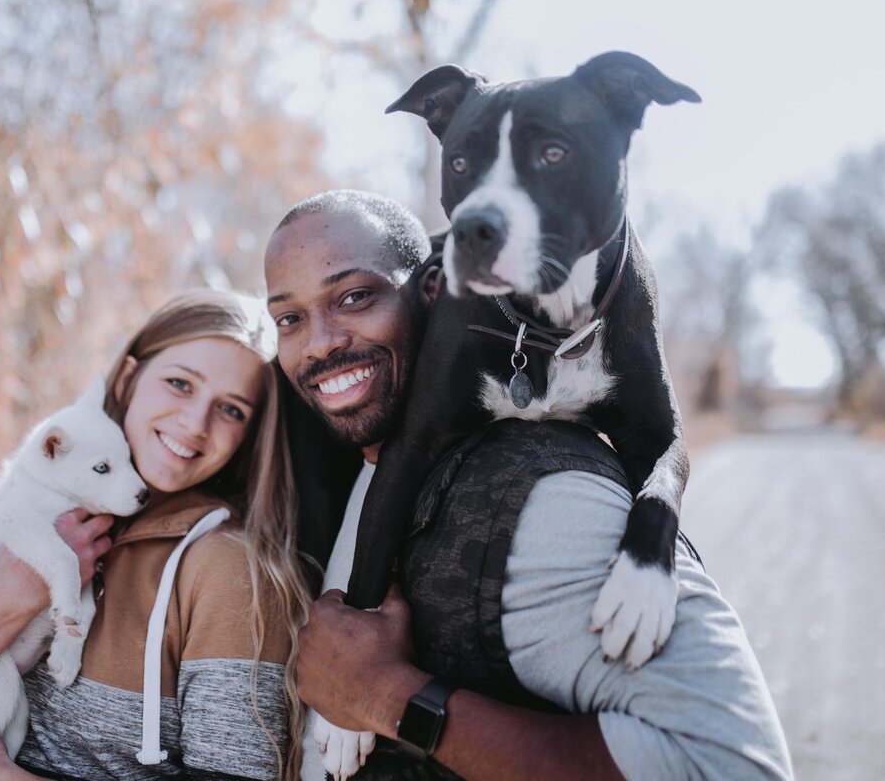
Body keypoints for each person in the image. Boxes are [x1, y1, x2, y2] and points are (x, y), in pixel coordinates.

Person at [264, 189, 794, 780]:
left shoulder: (538, 497)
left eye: (356, 297)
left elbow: (736, 766)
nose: (319, 341)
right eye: (290, 318)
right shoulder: (352, 465)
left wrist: (394, 700)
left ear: (434, 290)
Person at [0, 290, 311, 781]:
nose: (195, 422)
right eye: (180, 383)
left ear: (250, 432)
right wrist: (14, 590)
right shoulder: (11, 515)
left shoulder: (228, 572)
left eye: (232, 410)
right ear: (127, 379)